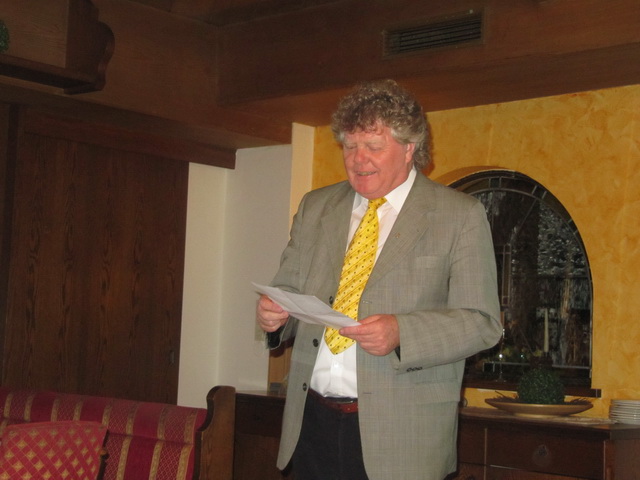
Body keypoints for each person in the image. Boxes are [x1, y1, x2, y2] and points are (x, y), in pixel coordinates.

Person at [256, 79, 502, 480]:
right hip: (311, 424)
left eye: (373, 146)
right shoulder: (316, 206)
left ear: (409, 147)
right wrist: (274, 316)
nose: (358, 159)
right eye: (350, 146)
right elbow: (288, 290)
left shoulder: (459, 215)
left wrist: (402, 332)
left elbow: (482, 323)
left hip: (402, 435)